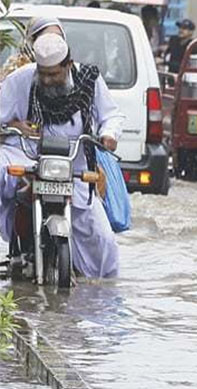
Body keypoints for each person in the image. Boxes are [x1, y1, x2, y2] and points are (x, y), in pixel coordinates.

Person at [0, 33, 124, 278]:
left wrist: (108, 135)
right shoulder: (20, 80)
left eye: (54, 74)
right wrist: (13, 124)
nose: (47, 80)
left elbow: (112, 115)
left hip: (72, 162)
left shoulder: (89, 80)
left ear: (68, 65)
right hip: (26, 155)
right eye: (43, 73)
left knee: (103, 241)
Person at [0, 17, 65, 82]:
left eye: (58, 37)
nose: (53, 43)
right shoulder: (15, 71)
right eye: (47, 38)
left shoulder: (69, 71)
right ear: (32, 42)